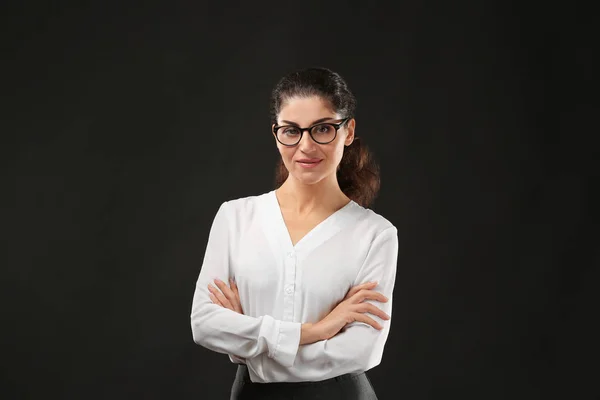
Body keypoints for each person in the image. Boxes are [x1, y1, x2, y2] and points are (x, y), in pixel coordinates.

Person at [190, 67, 398, 399]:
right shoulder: (235, 217)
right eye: (291, 131)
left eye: (323, 129)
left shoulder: (375, 234)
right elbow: (204, 323)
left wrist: (253, 352)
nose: (306, 146)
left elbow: (361, 351)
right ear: (276, 134)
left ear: (348, 131)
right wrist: (314, 331)